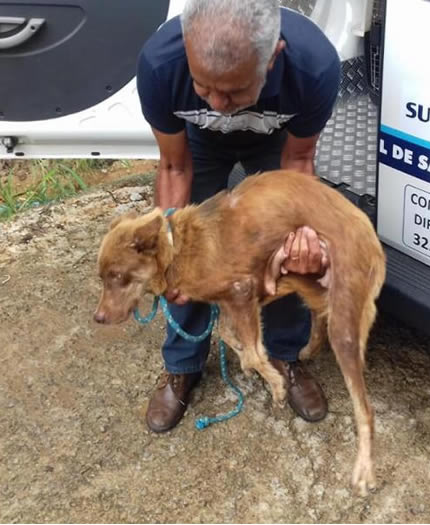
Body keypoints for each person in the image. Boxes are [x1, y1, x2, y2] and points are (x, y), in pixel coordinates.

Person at [136, 0, 341, 433]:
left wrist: (301, 233)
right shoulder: (160, 65)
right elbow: (173, 167)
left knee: (283, 249)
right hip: (198, 145)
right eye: (203, 87)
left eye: (233, 91)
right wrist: (168, 251)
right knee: (186, 252)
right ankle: (183, 364)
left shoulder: (313, 68)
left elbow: (298, 161)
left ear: (273, 57)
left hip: (275, 142)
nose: (218, 103)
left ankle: (284, 356)